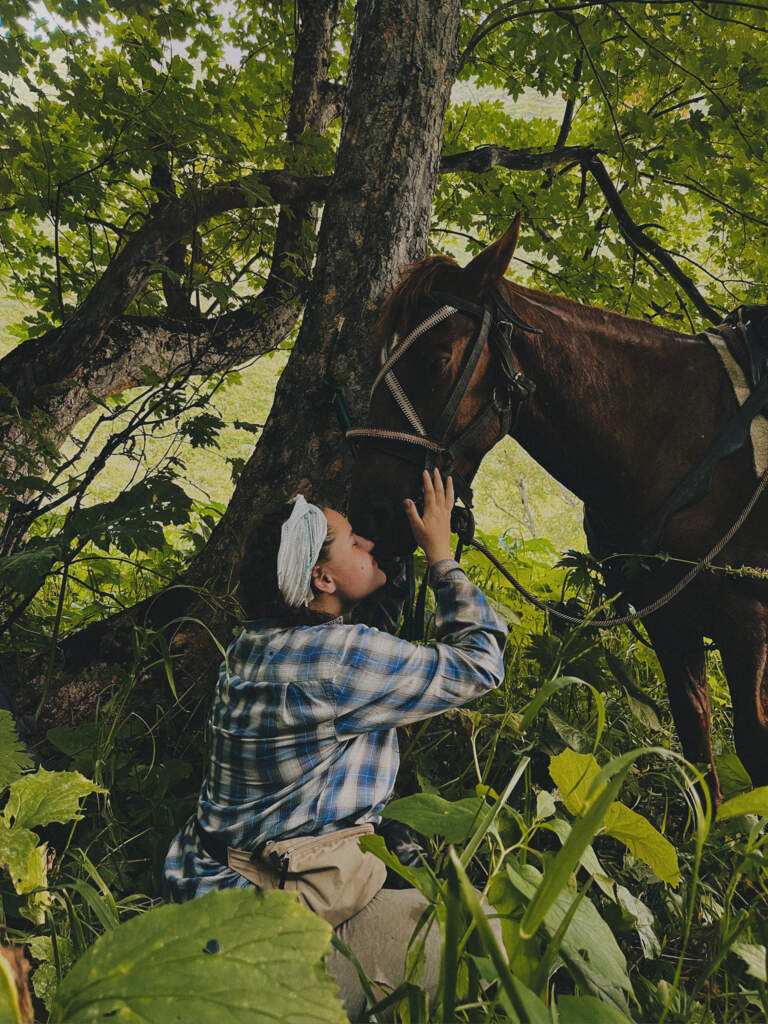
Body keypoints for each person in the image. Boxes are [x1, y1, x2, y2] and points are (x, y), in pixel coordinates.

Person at [163, 469, 507, 1020]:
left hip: (207, 884)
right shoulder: (340, 660)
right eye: (354, 541)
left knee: (392, 845)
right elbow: (481, 663)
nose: (369, 544)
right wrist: (442, 557)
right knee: (486, 941)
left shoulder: (253, 643)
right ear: (322, 578)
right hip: (255, 932)